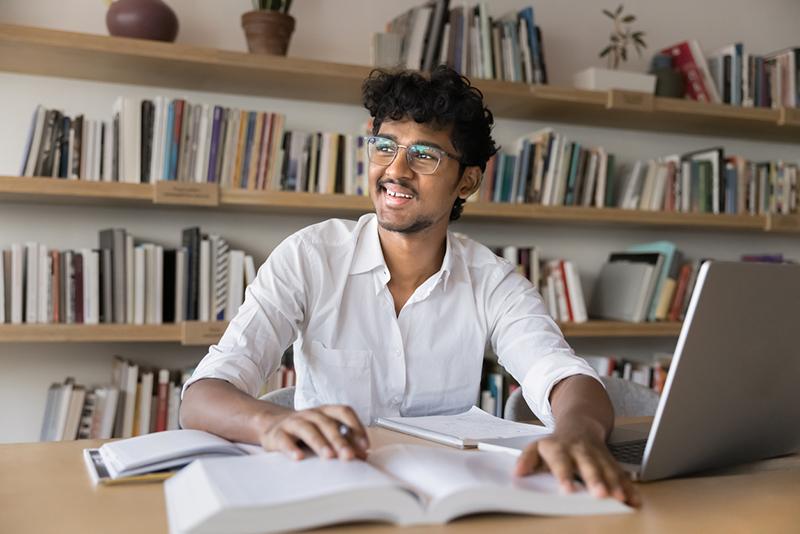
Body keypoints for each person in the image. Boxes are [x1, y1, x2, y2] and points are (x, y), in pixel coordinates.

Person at [180, 66, 638, 506]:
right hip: (325, 487)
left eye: (424, 155)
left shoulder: (492, 280)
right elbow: (203, 395)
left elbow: (564, 376)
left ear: (468, 181)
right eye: (384, 146)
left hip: (450, 498)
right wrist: (270, 424)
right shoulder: (309, 256)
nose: (395, 170)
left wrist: (578, 433)